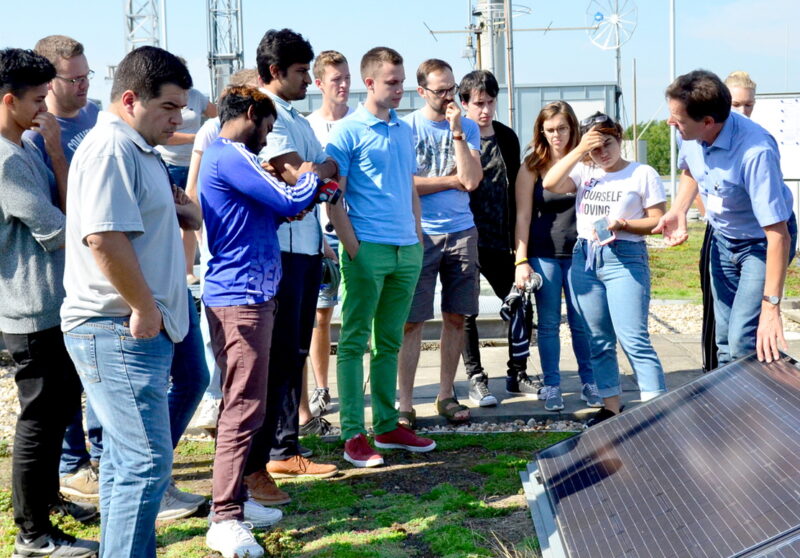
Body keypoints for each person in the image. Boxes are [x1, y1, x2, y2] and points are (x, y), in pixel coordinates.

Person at [61, 46, 192, 558]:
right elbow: (104, 237)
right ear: (132, 99)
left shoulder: (133, 146)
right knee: (144, 464)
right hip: (116, 327)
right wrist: (145, 308)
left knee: (124, 463)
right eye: (169, 108)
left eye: (182, 108)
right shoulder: (112, 147)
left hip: (125, 328)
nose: (177, 118)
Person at [200, 85, 320, 558]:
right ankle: (225, 516)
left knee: (246, 400)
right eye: (266, 128)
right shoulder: (231, 154)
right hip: (241, 297)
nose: (267, 140)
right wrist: (309, 177)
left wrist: (299, 192)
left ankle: (237, 502)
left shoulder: (225, 157)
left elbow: (274, 210)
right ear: (251, 114)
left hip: (252, 292)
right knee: (243, 405)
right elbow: (292, 201)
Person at [0, 47, 99, 558]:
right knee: (39, 424)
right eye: (38, 99)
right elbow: (61, 227)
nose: (45, 108)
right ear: (10, 100)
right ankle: (33, 536)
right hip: (31, 311)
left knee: (55, 416)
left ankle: (46, 507)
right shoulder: (8, 160)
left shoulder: (24, 148)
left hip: (45, 306)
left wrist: (55, 151)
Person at [326, 46, 436, 468]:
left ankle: (387, 425)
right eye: (391, 82)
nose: (399, 89)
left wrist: (417, 235)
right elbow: (332, 196)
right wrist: (353, 249)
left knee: (389, 341)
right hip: (366, 249)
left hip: (405, 249)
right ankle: (353, 432)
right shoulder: (347, 131)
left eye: (401, 81)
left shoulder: (403, 129)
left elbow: (408, 185)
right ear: (368, 83)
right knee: (354, 342)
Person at [243, 28, 339, 503]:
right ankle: (255, 463)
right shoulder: (264, 116)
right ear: (275, 72)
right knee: (274, 358)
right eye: (302, 72)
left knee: (292, 354)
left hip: (304, 247)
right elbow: (298, 174)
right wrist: (314, 173)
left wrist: (315, 172)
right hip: (277, 249)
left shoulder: (294, 116)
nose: (309, 80)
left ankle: (283, 448)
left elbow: (325, 168)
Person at [656, 70, 796, 366]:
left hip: (760, 244)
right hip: (722, 240)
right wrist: (678, 210)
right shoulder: (689, 133)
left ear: (708, 122)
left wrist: (771, 307)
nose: (671, 123)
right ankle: (725, 408)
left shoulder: (756, 152)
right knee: (723, 339)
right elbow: (691, 171)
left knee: (744, 339)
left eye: (678, 120)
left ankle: (766, 406)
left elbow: (778, 234)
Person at [543, 112, 667, 426]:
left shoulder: (642, 173)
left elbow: (657, 221)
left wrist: (624, 223)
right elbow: (550, 182)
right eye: (595, 148)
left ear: (619, 139)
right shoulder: (585, 170)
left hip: (624, 255)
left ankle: (656, 411)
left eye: (607, 144)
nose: (603, 153)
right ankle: (611, 407)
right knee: (597, 339)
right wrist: (578, 150)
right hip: (586, 257)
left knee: (633, 337)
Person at [22, 34, 102, 501]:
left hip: (98, 265)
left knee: (83, 374)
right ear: (49, 82)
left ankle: (87, 457)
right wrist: (55, 148)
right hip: (62, 270)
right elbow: (65, 213)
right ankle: (74, 465)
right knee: (64, 377)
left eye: (88, 76)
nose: (83, 87)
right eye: (73, 79)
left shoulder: (95, 118)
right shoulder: (35, 136)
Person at [398, 58, 483, 425]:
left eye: (453, 89)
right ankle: (404, 402)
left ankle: (446, 394)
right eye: (441, 90)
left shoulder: (467, 127)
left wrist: (458, 133)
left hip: (462, 230)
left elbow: (473, 180)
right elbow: (407, 184)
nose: (449, 96)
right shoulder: (406, 128)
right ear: (422, 91)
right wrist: (449, 181)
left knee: (456, 316)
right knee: (412, 321)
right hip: (421, 232)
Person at [185, 68, 259, 432]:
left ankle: (235, 395)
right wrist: (202, 234)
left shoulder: (260, 132)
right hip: (220, 239)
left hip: (252, 242)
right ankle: (213, 398)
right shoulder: (212, 130)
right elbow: (194, 186)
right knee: (213, 319)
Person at [514, 101, 600, 411]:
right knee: (548, 324)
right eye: (549, 130)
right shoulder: (531, 166)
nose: (556, 135)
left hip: (580, 253)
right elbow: (522, 217)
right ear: (541, 131)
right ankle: (552, 385)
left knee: (583, 322)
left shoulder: (588, 162)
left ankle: (590, 382)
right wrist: (520, 261)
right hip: (544, 253)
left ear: (573, 128)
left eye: (562, 128)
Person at [457, 69, 531, 408]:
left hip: (502, 240)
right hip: (468, 238)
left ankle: (518, 372)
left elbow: (518, 189)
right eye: (478, 103)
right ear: (464, 104)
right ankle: (476, 377)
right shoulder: (456, 136)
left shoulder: (506, 136)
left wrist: (520, 247)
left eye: (490, 102)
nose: (485, 110)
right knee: (465, 312)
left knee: (520, 301)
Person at [301, 49, 353, 432]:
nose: (344, 85)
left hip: (358, 232)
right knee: (320, 315)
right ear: (320, 84)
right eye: (336, 80)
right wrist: (318, 234)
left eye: (347, 77)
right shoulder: (309, 126)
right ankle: (321, 388)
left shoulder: (359, 123)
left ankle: (354, 387)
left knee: (357, 315)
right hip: (321, 235)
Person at [155, 57, 217, 285]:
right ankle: (171, 271)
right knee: (170, 218)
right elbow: (166, 138)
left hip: (195, 162)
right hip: (170, 163)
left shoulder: (196, 96)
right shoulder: (163, 98)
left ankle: (188, 270)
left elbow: (219, 115)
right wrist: (198, 137)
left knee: (191, 219)